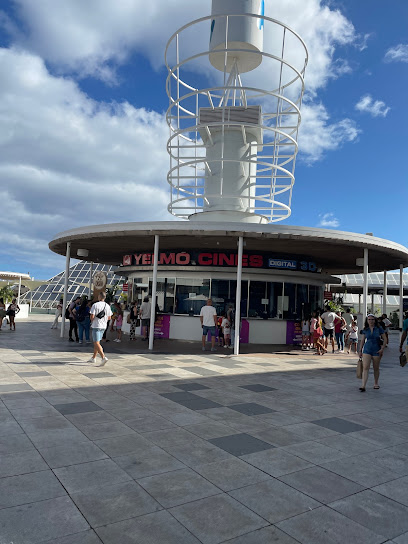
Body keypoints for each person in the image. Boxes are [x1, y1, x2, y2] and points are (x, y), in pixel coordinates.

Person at [358, 314, 386, 392]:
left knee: (376, 368)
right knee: (365, 367)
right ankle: (363, 385)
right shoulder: (365, 329)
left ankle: (376, 383)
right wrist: (360, 350)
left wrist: (382, 348)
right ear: (367, 321)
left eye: (372, 319)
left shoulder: (379, 328)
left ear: (375, 320)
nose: (371, 321)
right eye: (369, 319)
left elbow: (385, 339)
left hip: (376, 349)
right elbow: (363, 340)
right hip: (367, 349)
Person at [89, 292, 112, 366]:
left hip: (96, 325)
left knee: (96, 342)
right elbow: (109, 317)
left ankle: (103, 357)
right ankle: (93, 357)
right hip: (103, 326)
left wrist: (92, 321)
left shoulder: (95, 305)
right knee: (97, 342)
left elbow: (92, 316)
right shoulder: (107, 306)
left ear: (99, 296)